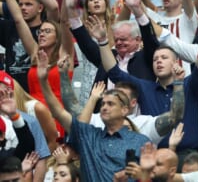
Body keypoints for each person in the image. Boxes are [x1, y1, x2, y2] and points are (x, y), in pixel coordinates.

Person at [85, 0, 198, 153]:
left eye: (164, 58)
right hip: (153, 156)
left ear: (176, 62)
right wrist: (102, 41)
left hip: (188, 154)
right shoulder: (145, 88)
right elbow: (114, 72)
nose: (158, 61)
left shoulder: (189, 84)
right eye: (155, 59)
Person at [37, 50, 150, 182]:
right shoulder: (89, 135)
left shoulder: (141, 141)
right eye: (102, 104)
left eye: (111, 104)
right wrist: (43, 81)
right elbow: (59, 112)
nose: (104, 107)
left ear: (125, 110)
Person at [0, 0, 74, 139]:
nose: (41, 34)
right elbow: (18, 20)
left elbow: (63, 21)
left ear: (57, 37)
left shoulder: (65, 55)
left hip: (56, 112)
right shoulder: (35, 54)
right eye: (41, 32)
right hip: (29, 111)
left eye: (47, 31)